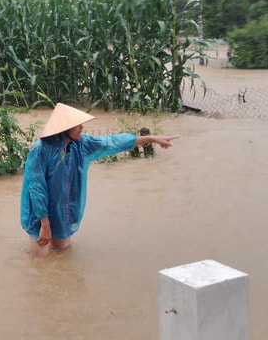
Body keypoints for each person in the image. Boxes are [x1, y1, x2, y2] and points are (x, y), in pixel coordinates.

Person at [20, 102, 178, 257]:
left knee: (63, 255)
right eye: (77, 126)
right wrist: (44, 223)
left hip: (63, 211)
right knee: (42, 260)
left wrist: (152, 138)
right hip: (39, 214)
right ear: (65, 129)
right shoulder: (41, 149)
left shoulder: (82, 144)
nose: (82, 128)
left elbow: (113, 142)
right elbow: (36, 187)